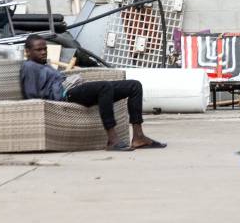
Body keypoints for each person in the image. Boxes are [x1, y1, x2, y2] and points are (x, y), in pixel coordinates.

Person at [21, 36, 165, 151]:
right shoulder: (29, 67)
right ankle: (112, 140)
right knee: (104, 87)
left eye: (45, 49)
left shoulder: (42, 64)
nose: (43, 52)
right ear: (27, 51)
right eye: (38, 50)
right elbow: (31, 97)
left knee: (134, 86)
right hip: (66, 95)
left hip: (75, 87)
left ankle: (139, 137)